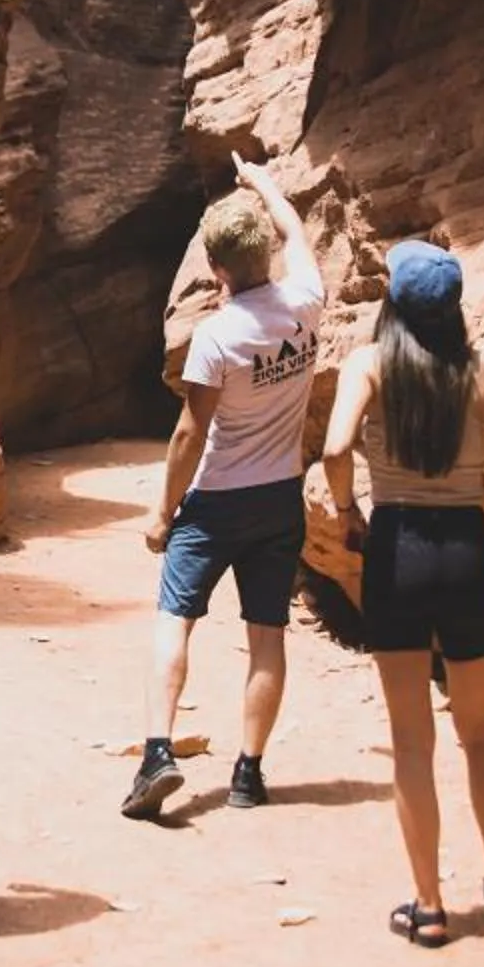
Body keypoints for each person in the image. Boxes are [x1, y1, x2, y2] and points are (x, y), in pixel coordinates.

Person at [318, 240, 484, 946]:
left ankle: (428, 905)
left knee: (411, 742)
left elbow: (335, 450)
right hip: (465, 553)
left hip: (397, 547)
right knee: (480, 734)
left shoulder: (367, 366)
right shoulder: (482, 373)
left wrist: (347, 515)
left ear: (393, 304)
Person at [128, 155, 326, 818]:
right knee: (266, 632)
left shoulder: (217, 336)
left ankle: (157, 754)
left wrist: (163, 512)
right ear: (265, 253)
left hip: (215, 500)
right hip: (280, 496)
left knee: (174, 620)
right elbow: (297, 233)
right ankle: (248, 773)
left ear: (215, 270)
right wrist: (264, 182)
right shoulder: (306, 302)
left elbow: (191, 432)